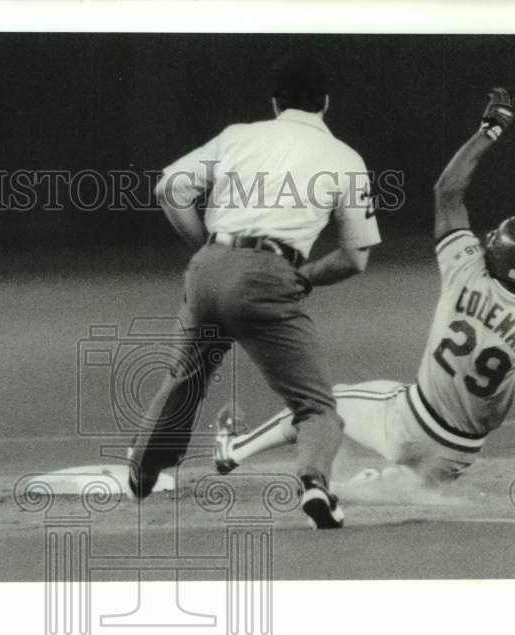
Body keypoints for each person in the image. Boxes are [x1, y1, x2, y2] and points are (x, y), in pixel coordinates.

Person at [213, 89, 515, 495]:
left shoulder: (467, 269)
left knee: (320, 404)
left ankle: (233, 450)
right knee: (388, 492)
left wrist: (490, 130)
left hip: (408, 419)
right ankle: (361, 487)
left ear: (495, 256)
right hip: (455, 456)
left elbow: (447, 191)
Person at [127, 55, 382, 528]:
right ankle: (314, 485)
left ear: (274, 103)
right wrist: (303, 278)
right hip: (269, 273)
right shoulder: (345, 158)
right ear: (325, 103)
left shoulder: (238, 136)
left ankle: (143, 467)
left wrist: (207, 246)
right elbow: (355, 257)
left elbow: (168, 189)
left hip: (207, 269)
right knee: (315, 406)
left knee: (187, 378)